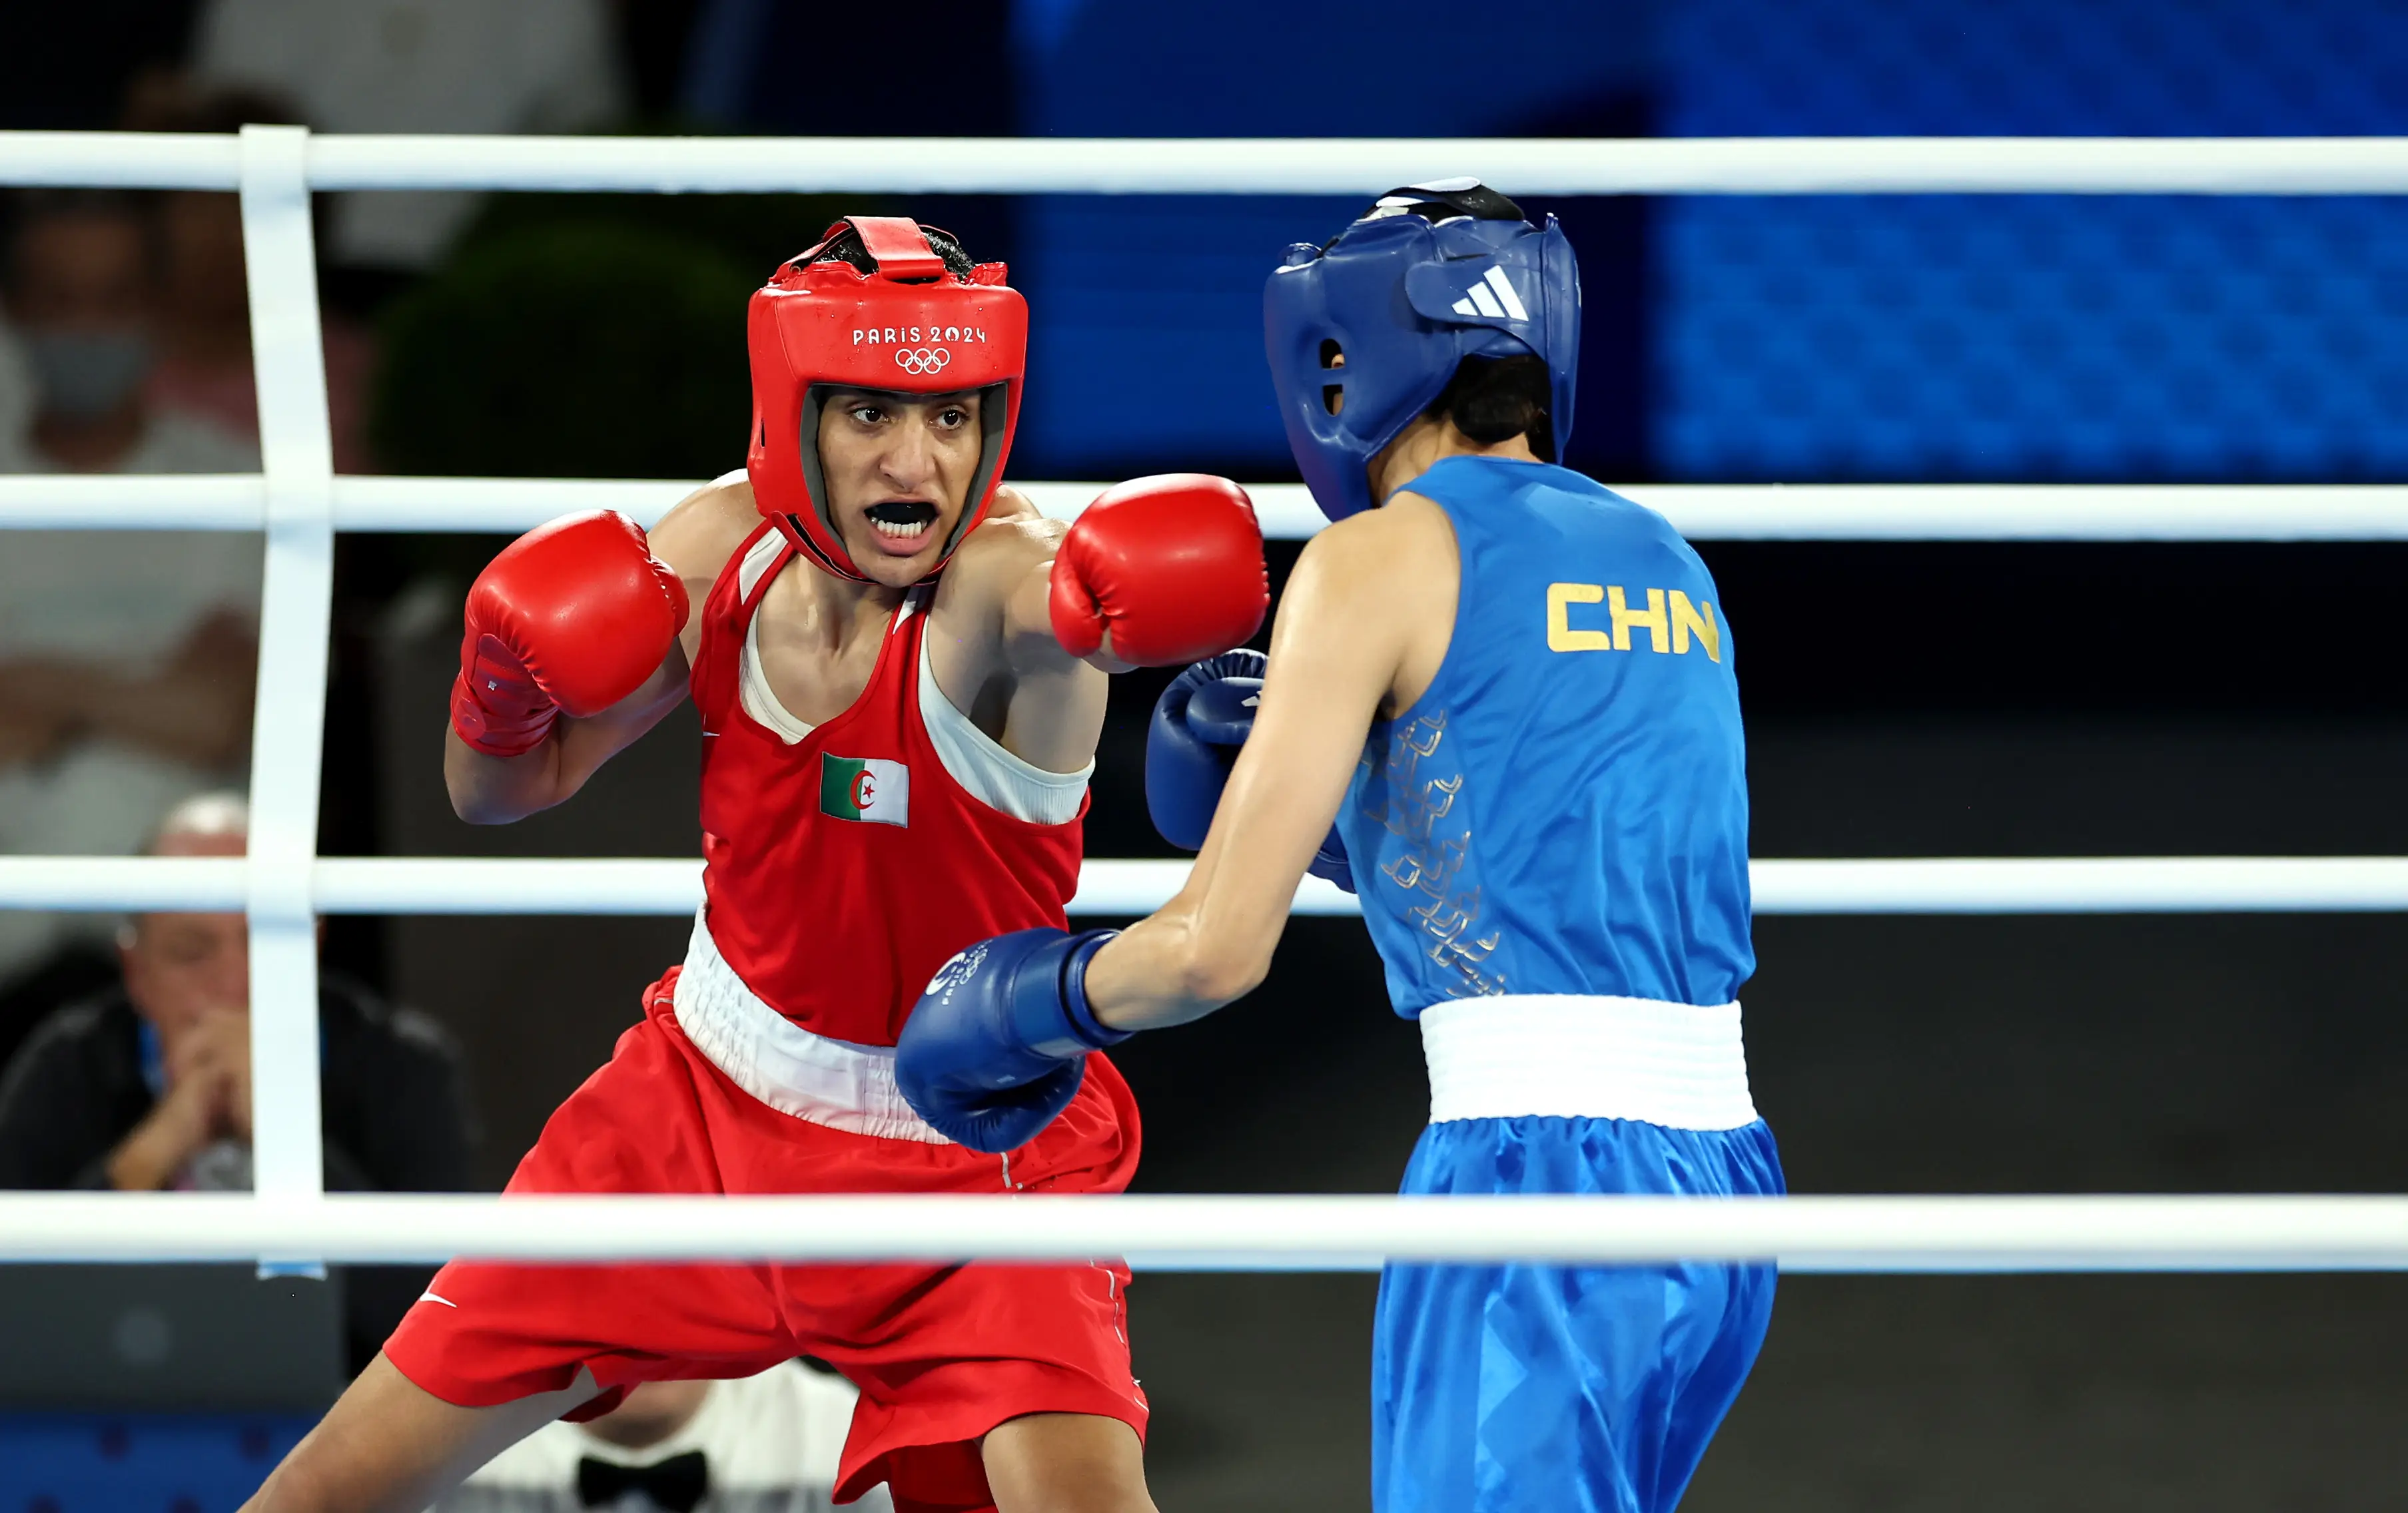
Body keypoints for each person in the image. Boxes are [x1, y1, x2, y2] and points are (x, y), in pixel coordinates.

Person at [242, 216, 1268, 1513]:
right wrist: (499, 683)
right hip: (698, 1112)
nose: (919, 463)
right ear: (793, 420)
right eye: (874, 417)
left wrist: (1117, 602)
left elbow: (1055, 595)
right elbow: (495, 790)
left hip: (975, 1149)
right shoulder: (717, 552)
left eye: (954, 418)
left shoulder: (1006, 589)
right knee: (320, 1491)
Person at [897, 181, 1785, 1513]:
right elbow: (1542, 880)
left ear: (1339, 359)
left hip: (1534, 1182)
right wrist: (1343, 828)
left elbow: (1209, 952)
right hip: (1722, 1176)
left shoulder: (1373, 560)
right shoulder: (1661, 556)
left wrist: (1033, 1000)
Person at [0, 790, 476, 1367]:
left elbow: (449, 1325)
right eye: (191, 951)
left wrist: (287, 1142)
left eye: (267, 940)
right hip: (121, 1423)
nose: (237, 984)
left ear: (315, 946)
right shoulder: (65, 1067)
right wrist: (154, 1150)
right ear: (137, 973)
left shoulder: (406, 1067)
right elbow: (20, 1326)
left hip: (344, 1425)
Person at [437, 1361, 894, 1513]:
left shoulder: (837, 1430)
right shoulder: (447, 1445)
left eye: (675, 1280)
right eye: (609, 1277)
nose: (644, 1323)